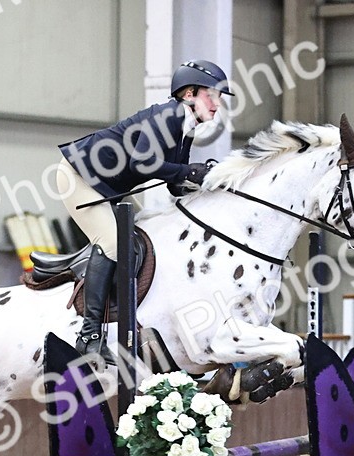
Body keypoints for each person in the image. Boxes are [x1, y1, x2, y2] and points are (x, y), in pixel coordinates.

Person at [54, 60, 233, 363]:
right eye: (212, 95)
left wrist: (210, 183)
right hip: (79, 179)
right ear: (189, 93)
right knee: (112, 244)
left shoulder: (185, 127)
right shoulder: (170, 115)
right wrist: (190, 171)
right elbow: (143, 162)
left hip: (104, 186)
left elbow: (175, 185)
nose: (217, 105)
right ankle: (89, 336)